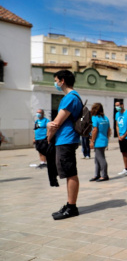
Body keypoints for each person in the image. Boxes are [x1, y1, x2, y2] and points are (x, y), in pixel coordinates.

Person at [47, 70, 82, 220]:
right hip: (68, 139)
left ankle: (72, 207)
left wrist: (48, 135)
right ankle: (69, 205)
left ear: (62, 81)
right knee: (69, 173)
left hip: (66, 139)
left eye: (56, 80)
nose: (55, 83)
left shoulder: (70, 98)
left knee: (70, 173)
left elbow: (56, 123)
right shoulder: (74, 97)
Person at [89, 103, 111, 182]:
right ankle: (97, 174)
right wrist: (107, 138)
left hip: (98, 141)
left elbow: (95, 130)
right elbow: (109, 130)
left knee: (101, 159)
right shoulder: (106, 118)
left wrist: (92, 141)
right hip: (104, 139)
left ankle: (104, 175)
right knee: (97, 158)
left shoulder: (94, 118)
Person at [115, 101, 127, 175]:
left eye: (118, 105)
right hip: (121, 137)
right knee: (123, 153)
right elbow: (117, 125)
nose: (117, 107)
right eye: (116, 106)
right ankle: (125, 168)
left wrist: (124, 135)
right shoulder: (117, 114)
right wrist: (119, 135)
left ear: (122, 105)